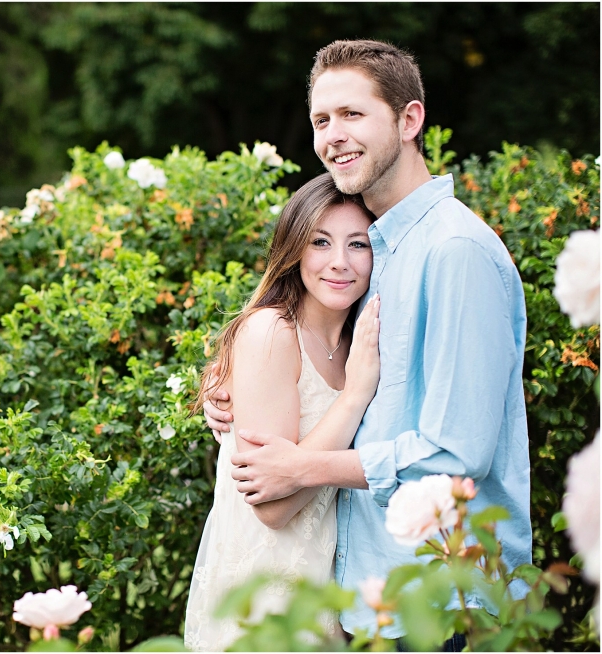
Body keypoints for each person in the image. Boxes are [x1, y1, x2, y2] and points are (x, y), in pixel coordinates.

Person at [203, 39, 531, 650]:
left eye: (353, 114)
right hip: (373, 597)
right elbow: (315, 361)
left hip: (445, 600)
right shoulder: (377, 249)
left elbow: (457, 456)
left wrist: (302, 467)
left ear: (410, 120)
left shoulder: (453, 252)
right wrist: (236, 388)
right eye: (321, 120)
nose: (334, 135)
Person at [184, 173, 381, 651]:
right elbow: (272, 507)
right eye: (320, 242)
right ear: (294, 250)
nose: (340, 263)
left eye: (358, 244)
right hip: (265, 600)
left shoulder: (363, 341)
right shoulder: (273, 333)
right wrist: (354, 396)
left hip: (331, 591)